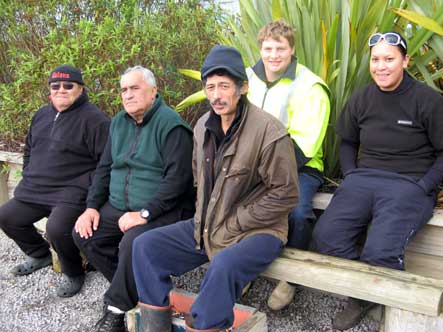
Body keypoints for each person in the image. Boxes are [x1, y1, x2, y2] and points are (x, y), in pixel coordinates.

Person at [131, 45, 299, 332]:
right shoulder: (201, 127)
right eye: (210, 87)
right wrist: (206, 220)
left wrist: (236, 221)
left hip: (260, 232)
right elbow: (199, 181)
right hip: (209, 227)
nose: (217, 95)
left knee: (222, 267)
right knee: (145, 246)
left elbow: (286, 194)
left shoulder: (270, 132)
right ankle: (156, 327)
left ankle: (204, 324)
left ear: (242, 87)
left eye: (224, 86)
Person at [313, 32, 443, 330]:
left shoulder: (428, 100)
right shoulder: (362, 98)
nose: (381, 67)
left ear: (405, 61)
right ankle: (369, 290)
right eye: (375, 60)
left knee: (381, 251)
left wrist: (424, 186)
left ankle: (364, 297)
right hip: (363, 181)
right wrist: (351, 176)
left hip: (408, 185)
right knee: (326, 238)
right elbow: (347, 142)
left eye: (389, 59)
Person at [73, 66, 194, 332]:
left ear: (153, 91)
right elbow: (104, 168)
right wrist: (91, 207)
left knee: (133, 242)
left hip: (164, 209)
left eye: (134, 88)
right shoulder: (118, 123)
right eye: (124, 90)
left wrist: (145, 214)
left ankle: (116, 309)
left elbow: (178, 182)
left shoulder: (172, 126)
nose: (128, 95)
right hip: (118, 206)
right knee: (83, 234)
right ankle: (137, 286)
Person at [0, 64, 110, 297]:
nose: (61, 90)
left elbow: (105, 163)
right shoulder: (41, 114)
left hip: (71, 190)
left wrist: (90, 198)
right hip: (35, 188)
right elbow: (29, 148)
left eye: (68, 85)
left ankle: (74, 272)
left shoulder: (95, 120)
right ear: (49, 90)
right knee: (7, 216)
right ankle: (39, 254)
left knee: (57, 228)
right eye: (55, 86)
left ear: (80, 88)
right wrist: (29, 173)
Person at [246, 19, 330, 310]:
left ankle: (291, 279)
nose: (273, 55)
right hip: (252, 165)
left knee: (297, 212)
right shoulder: (246, 79)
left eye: (280, 48)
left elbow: (306, 144)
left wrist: (264, 175)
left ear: (292, 49)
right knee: (232, 201)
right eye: (268, 48)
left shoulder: (310, 86)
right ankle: (243, 265)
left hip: (300, 166)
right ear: (260, 48)